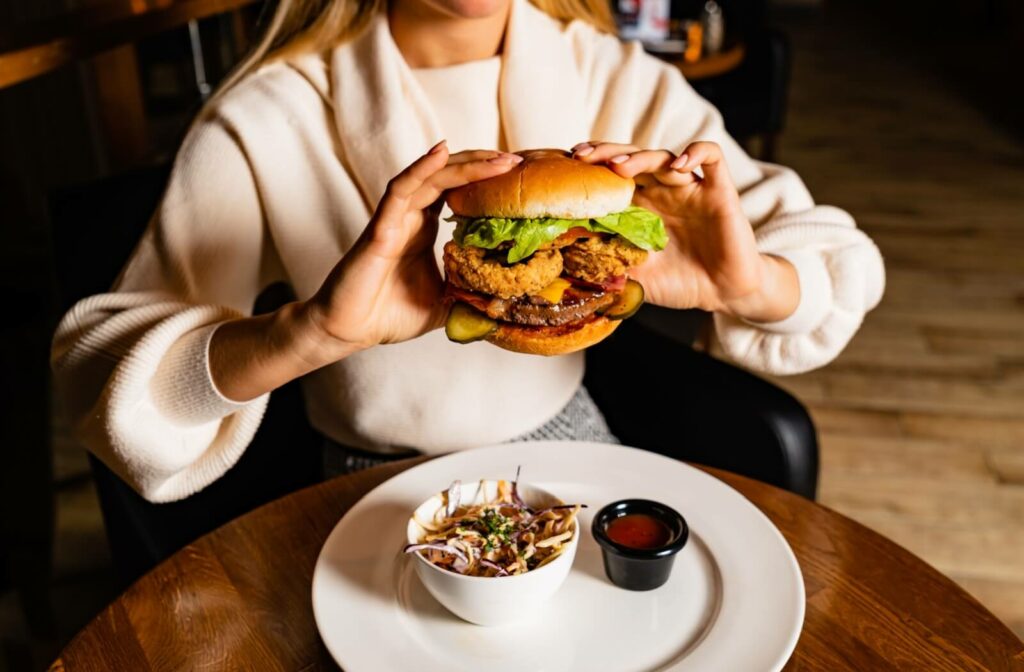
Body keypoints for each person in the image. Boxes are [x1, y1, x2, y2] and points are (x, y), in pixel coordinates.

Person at [52, 0, 884, 503]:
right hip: (362, 476)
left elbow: (832, 265)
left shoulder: (612, 74)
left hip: (570, 436)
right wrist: (305, 335)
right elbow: (98, 378)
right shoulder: (268, 112)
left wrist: (749, 283)